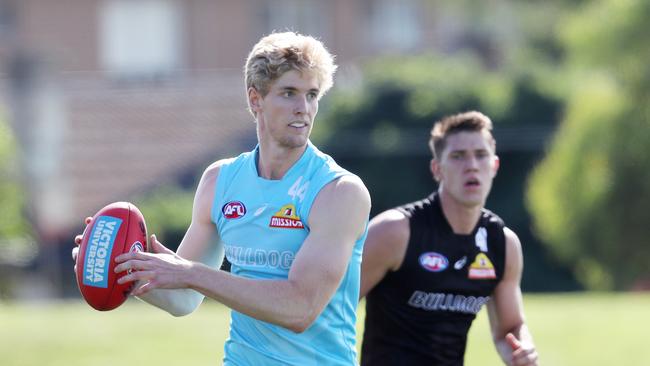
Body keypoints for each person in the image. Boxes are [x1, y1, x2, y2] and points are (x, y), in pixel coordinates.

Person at [73, 32, 371, 365]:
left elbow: (300, 309)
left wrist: (190, 273)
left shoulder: (339, 191)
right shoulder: (220, 181)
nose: (303, 109)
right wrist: (126, 267)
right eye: (289, 93)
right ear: (255, 99)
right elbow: (183, 299)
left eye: (312, 95)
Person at [359, 111, 538, 365]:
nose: (472, 165)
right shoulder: (395, 232)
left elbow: (509, 328)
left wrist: (522, 349)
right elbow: (333, 307)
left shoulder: (503, 244)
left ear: (494, 165)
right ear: (437, 169)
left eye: (481, 155)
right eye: (458, 156)